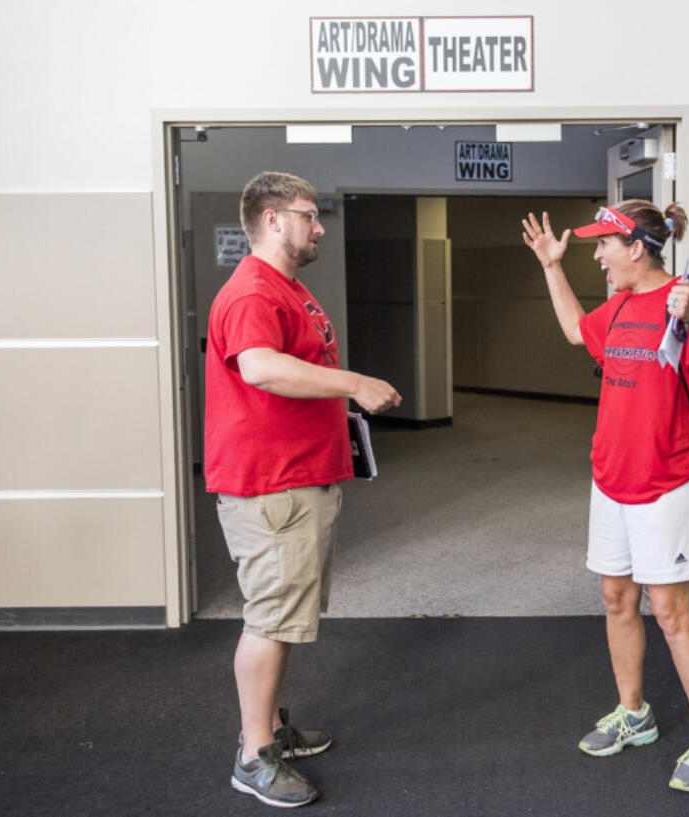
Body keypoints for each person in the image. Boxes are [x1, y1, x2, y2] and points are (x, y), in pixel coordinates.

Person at [521, 200, 689, 793]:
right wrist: (550, 266)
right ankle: (634, 712)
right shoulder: (618, 304)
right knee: (618, 599)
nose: (595, 256)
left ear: (637, 248)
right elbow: (576, 331)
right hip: (610, 476)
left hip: (667, 477)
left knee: (672, 613)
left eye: (603, 247)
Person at [205, 171, 401, 808]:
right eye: (309, 215)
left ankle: (269, 729)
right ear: (271, 219)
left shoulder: (286, 286)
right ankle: (253, 754)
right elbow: (260, 366)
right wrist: (353, 383)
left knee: (286, 616)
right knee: (269, 620)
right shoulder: (252, 292)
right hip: (271, 488)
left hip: (297, 478)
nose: (319, 226)